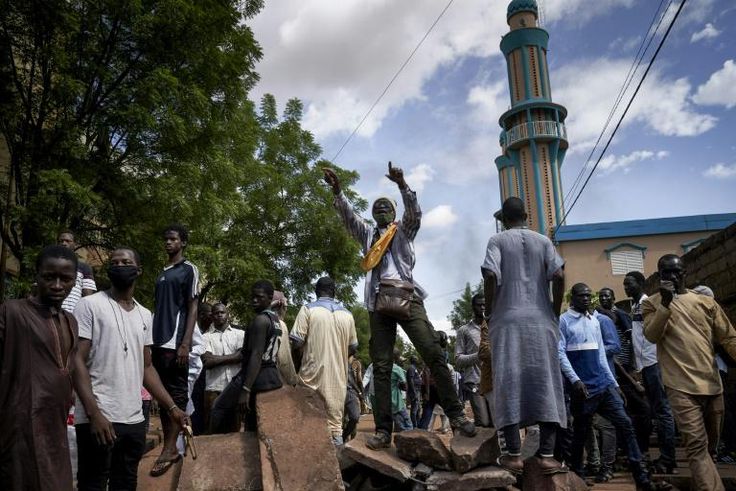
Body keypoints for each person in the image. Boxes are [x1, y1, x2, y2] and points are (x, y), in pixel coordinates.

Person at [323, 162, 475, 450]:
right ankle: (382, 430)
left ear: (393, 213)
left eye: (386, 207)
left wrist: (402, 185)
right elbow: (347, 217)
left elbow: (415, 213)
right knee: (381, 366)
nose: (381, 210)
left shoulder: (403, 231)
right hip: (378, 302)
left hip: (408, 298)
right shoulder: (367, 235)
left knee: (433, 352)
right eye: (376, 208)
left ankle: (456, 417)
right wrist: (338, 191)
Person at [71, 248, 189, 489]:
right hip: (99, 418)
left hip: (134, 420)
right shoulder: (88, 305)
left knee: (125, 483)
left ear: (138, 270)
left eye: (125, 262)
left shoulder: (145, 315)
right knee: (92, 484)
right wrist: (94, 414)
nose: (119, 265)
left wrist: (173, 407)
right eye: (114, 262)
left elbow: (146, 367)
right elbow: (76, 361)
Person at [481, 197, 566, 475]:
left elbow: (490, 275)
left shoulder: (497, 240)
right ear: (526, 215)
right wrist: (553, 311)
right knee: (547, 381)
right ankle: (547, 455)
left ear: (503, 218)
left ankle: (514, 455)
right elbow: (560, 274)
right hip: (542, 322)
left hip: (507, 322)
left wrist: (491, 311)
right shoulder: (543, 241)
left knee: (508, 381)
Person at [643, 255, 736, 491]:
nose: (671, 277)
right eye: (665, 272)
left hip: (712, 383)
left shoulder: (705, 302)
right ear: (659, 275)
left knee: (709, 450)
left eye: (676, 272)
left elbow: (728, 337)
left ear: (685, 273)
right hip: (680, 386)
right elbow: (652, 335)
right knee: (696, 446)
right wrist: (665, 304)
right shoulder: (652, 303)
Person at [559, 283, 664, 489]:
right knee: (580, 435)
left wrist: (614, 384)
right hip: (583, 390)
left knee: (625, 424)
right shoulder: (564, 321)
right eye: (583, 296)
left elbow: (600, 356)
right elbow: (560, 353)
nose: (587, 299)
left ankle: (640, 477)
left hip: (603, 386)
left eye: (590, 296)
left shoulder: (595, 321)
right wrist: (575, 380)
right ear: (573, 298)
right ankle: (578, 477)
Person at [0, 246, 80, 490]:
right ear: (37, 275)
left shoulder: (70, 321)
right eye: (49, 277)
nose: (57, 285)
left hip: (55, 426)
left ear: (74, 281)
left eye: (65, 279)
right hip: (19, 426)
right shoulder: (12, 312)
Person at [150, 224, 199, 475]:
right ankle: (171, 447)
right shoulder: (163, 272)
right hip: (158, 341)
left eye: (173, 239)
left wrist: (185, 343)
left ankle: (170, 448)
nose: (168, 243)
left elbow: (192, 307)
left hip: (175, 343)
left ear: (183, 242)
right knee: (164, 398)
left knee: (177, 397)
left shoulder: (188, 269)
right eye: (166, 239)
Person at [290, 277, 358, 445]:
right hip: (337, 381)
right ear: (334, 292)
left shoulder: (307, 310)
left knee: (306, 422)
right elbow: (353, 347)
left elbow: (297, 342)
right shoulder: (347, 315)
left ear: (316, 292)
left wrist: (298, 366)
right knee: (335, 427)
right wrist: (338, 355)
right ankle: (337, 465)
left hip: (310, 377)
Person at [209, 280, 283, 433]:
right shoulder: (276, 320)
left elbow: (256, 355)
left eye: (259, 297)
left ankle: (212, 448)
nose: (254, 300)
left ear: (270, 298)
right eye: (253, 297)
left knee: (218, 407)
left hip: (255, 376)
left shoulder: (260, 320)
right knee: (252, 422)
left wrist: (245, 389)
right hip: (272, 377)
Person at [624, 270, 677, 473]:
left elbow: (653, 335)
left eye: (629, 284)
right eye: (625, 284)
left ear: (641, 283)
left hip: (654, 362)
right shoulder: (636, 306)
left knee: (663, 411)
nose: (626, 288)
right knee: (657, 411)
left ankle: (668, 459)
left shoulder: (650, 303)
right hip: (645, 365)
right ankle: (665, 457)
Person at [599, 287, 652, 461]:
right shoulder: (602, 319)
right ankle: (632, 450)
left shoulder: (618, 316)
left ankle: (638, 449)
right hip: (617, 373)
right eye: (601, 296)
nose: (604, 298)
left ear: (613, 298)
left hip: (626, 370)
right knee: (626, 412)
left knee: (639, 411)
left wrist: (637, 369)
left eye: (607, 295)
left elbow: (632, 342)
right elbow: (613, 357)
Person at [202, 303, 245, 433]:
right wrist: (233, 357)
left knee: (234, 429)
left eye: (222, 312)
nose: (219, 315)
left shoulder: (240, 334)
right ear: (212, 316)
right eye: (216, 313)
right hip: (213, 389)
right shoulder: (205, 337)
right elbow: (207, 362)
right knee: (212, 428)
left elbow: (242, 356)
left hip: (234, 388)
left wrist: (217, 359)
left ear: (228, 314)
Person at [456, 293, 493, 427]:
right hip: (475, 383)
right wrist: (478, 356)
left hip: (493, 382)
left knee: (496, 422)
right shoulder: (464, 330)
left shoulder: (494, 327)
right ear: (473, 307)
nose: (482, 308)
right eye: (479, 305)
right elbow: (458, 359)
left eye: (485, 305)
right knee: (483, 421)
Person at [58, 230, 97, 313]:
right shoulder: (49, 265)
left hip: (74, 315)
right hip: (50, 315)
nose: (64, 243)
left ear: (74, 244)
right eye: (61, 241)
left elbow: (88, 298)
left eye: (68, 241)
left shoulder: (84, 268)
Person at [189, 303, 213, 435]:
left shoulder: (207, 333)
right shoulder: (193, 331)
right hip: (193, 378)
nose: (214, 318)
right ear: (202, 315)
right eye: (211, 315)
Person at [270, 291, 299, 386]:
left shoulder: (259, 320)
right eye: (286, 307)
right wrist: (292, 380)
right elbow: (284, 359)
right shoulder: (280, 325)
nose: (286, 310)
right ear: (281, 307)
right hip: (274, 378)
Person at [390, 348, 413, 432]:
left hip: (387, 400)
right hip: (397, 401)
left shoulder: (383, 367)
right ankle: (410, 439)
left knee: (398, 423)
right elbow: (405, 387)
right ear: (396, 358)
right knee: (408, 424)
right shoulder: (397, 369)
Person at [343, 355, 363, 443]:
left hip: (352, 392)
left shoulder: (356, 363)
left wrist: (360, 392)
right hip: (343, 391)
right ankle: (345, 440)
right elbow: (359, 379)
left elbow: (359, 380)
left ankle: (348, 439)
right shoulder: (355, 362)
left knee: (353, 418)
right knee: (346, 419)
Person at [406, 356, 423, 428]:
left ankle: (418, 424)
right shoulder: (411, 368)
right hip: (415, 390)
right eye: (416, 359)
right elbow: (411, 380)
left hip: (417, 390)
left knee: (418, 408)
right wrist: (413, 392)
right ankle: (414, 426)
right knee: (414, 409)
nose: (417, 360)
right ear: (413, 360)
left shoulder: (414, 368)